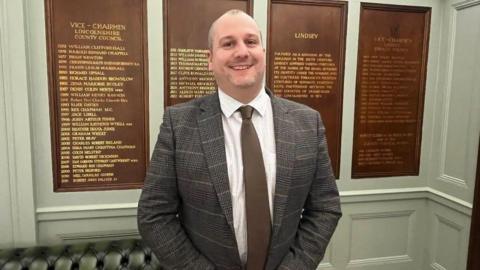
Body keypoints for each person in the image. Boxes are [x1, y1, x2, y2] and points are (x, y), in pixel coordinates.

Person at [137, 9, 341, 270]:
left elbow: (325, 207)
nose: (242, 51)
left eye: (251, 41)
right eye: (228, 43)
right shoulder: (179, 124)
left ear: (263, 53)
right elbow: (153, 216)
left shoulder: (307, 122)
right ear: (210, 59)